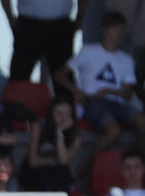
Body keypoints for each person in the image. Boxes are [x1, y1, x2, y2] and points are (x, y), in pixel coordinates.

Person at [55, 10, 145, 154]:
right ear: (105, 30)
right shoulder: (88, 51)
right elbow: (60, 75)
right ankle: (88, 169)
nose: (119, 32)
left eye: (122, 28)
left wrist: (108, 91)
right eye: (116, 27)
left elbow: (128, 95)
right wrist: (76, 91)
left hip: (117, 104)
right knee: (113, 131)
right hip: (91, 103)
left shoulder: (127, 60)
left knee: (142, 122)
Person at [1, 0, 87, 86]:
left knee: (63, 78)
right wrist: (9, 17)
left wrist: (80, 17)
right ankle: (15, 98)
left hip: (60, 25)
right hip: (28, 25)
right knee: (19, 76)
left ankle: (64, 98)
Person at [20, 97, 81, 196]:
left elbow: (64, 161)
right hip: (36, 174)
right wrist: (54, 162)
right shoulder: (39, 127)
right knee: (46, 172)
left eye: (67, 113)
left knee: (63, 171)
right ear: (51, 113)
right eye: (59, 113)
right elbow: (33, 161)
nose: (63, 118)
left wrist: (59, 134)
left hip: (59, 174)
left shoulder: (76, 135)